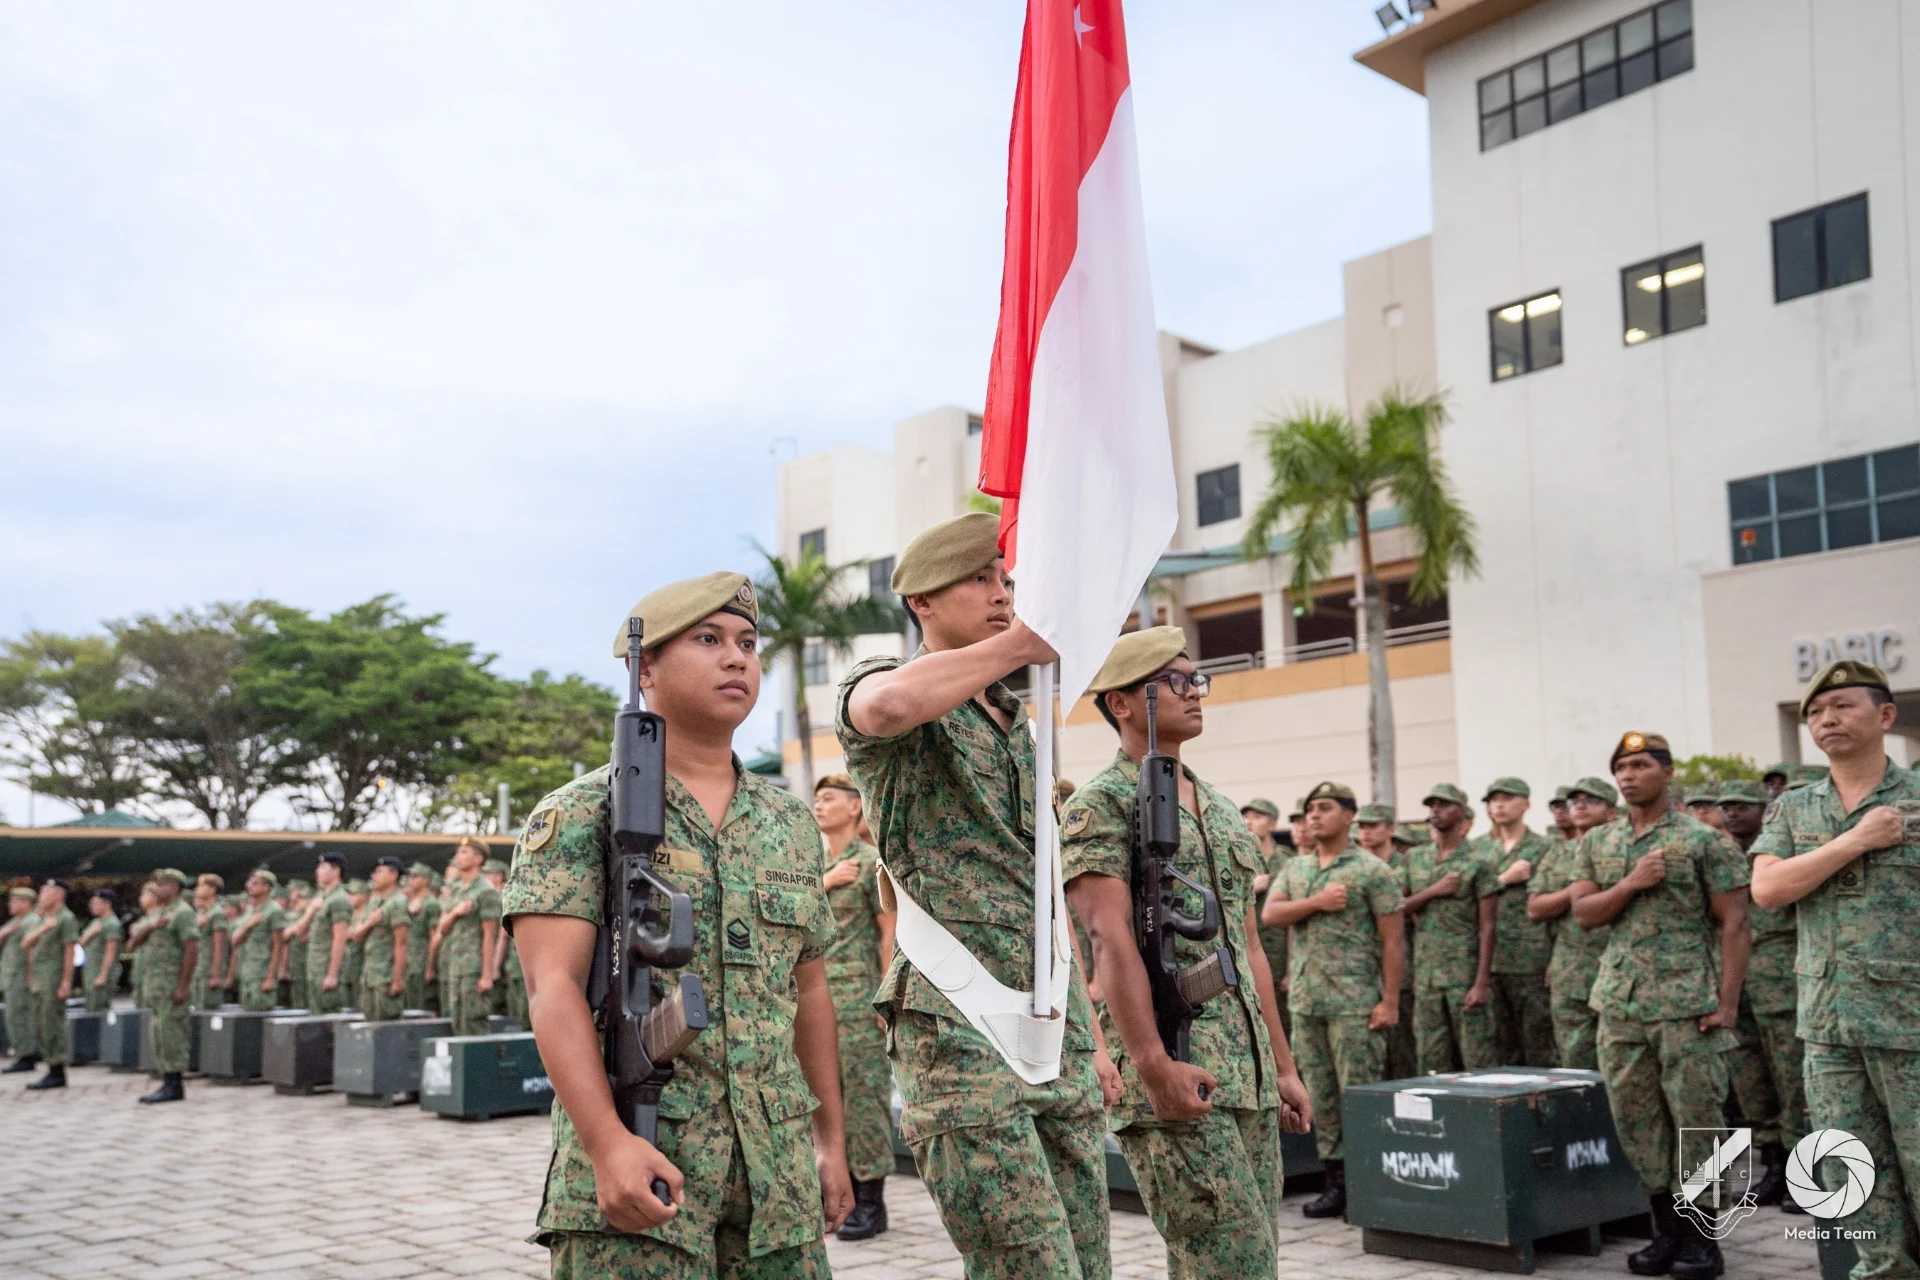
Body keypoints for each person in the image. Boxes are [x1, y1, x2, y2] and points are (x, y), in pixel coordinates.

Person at [507, 571, 852, 1276]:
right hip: (644, 1157)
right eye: (708, 639)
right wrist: (607, 1145)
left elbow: (810, 990)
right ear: (646, 670)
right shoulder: (582, 813)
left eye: (747, 644)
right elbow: (552, 989)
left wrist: (831, 1142)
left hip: (776, 1178)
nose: (736, 659)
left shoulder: (789, 823)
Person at [835, 513, 1113, 1280]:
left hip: (1052, 1022)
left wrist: (1090, 1035)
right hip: (958, 1023)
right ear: (921, 601)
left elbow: (1042, 891)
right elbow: (883, 710)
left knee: (1088, 1262)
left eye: (1005, 580)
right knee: (1028, 1266)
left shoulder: (1020, 724)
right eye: (980, 580)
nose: (1002, 594)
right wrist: (1022, 644)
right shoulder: (892, 687)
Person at [1063, 629, 1309, 1274]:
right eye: (1174, 681)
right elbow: (1108, 937)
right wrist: (1152, 1066)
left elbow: (1247, 948)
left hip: (1246, 1076)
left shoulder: (1222, 809)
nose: (1193, 691)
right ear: (1122, 703)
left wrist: (1282, 1068)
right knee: (1234, 1263)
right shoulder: (1100, 804)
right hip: (1173, 1066)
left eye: (1196, 678)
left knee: (1243, 1263)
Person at [1752, 660, 1920, 1277]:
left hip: (1911, 1023)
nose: (1828, 719)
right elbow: (1768, 889)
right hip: (1828, 1026)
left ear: (1885, 715)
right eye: (1816, 712)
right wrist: (1857, 840)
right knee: (1851, 1173)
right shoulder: (1795, 809)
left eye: (1843, 705)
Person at [1569, 732, 1749, 1280]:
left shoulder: (1704, 840)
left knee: (1697, 1121)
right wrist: (1631, 882)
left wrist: (1728, 1005)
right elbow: (1585, 914)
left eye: (1641, 765)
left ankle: (1703, 1240)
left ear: (1667, 773)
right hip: (1620, 1004)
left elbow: (1736, 923)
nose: (1628, 776)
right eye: (1621, 767)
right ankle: (1666, 1232)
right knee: (1636, 1120)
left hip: (1688, 1003)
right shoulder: (1597, 842)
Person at [1262, 778, 1401, 1221]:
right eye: (1309, 810)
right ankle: (1335, 1181)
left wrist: (1390, 1000)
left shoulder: (1372, 871)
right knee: (1320, 1094)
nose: (1314, 816)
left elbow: (1393, 940)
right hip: (1308, 1001)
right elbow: (1271, 913)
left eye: (1324, 808)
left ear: (1349, 815)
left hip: (1355, 1001)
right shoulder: (1297, 869)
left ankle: (1369, 1182)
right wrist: (1318, 902)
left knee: (1356, 1093)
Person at [811, 773, 897, 1243]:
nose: (819, 805)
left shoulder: (868, 864)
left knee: (865, 1099)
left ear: (854, 807)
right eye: (816, 799)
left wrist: (887, 993)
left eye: (829, 798)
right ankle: (832, 1192)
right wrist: (823, 883)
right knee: (825, 1098)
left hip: (859, 998)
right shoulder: (815, 866)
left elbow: (889, 931)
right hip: (817, 1000)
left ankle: (870, 1201)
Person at [1713, 778, 1806, 1212]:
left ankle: (1803, 1171)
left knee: (1791, 1077)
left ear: (1764, 810)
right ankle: (1774, 1163)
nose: (1732, 813)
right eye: (1726, 807)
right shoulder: (1719, 853)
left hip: (1780, 980)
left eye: (1742, 806)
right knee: (1750, 1078)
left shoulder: (1782, 851)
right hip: (1736, 982)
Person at [1400, 784, 1499, 1073]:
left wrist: (1481, 982)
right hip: (1427, 975)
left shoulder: (1479, 861)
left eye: (1444, 805)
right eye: (1432, 805)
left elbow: (1488, 926)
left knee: (1477, 1057)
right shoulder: (1415, 858)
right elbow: (1397, 907)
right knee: (1430, 1058)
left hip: (1464, 973)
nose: (1436, 810)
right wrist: (1433, 891)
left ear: (1463, 812)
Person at [1527, 777, 1618, 1070]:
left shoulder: (1623, 849)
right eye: (1575, 801)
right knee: (1575, 1062)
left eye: (1592, 801)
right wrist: (1578, 889)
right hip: (1570, 968)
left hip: (1616, 968)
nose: (1580, 806)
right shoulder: (1558, 853)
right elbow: (1535, 909)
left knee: (1619, 1061)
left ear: (1612, 813)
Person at [1481, 779, 1557, 1067]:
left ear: (1526, 803)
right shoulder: (1479, 849)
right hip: (1488, 960)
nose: (1499, 805)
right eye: (1494, 799)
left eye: (1507, 798)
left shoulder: (1545, 847)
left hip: (1532, 958)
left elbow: (1556, 905)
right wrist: (1505, 878)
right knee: (1499, 1046)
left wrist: (1555, 959)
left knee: (1539, 1043)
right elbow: (1463, 895)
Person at [1354, 804, 1417, 1080]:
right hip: (1362, 970)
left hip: (1400, 966)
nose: (1365, 832)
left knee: (1402, 1049)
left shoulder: (1405, 865)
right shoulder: (1354, 866)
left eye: (1373, 825)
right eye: (1362, 826)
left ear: (1390, 829)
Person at [135, 869, 199, 1104]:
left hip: (172, 983)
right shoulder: (157, 914)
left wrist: (183, 985)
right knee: (159, 1033)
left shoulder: (183, 913)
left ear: (173, 887)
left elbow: (191, 949)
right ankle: (166, 1079)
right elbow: (132, 943)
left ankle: (174, 1083)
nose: (156, 888)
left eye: (161, 884)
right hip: (155, 984)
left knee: (172, 1033)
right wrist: (151, 927)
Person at [433, 839, 502, 1036]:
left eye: (464, 852)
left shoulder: (486, 891)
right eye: (458, 852)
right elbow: (442, 928)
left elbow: (490, 935)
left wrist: (487, 975)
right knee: (456, 1021)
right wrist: (456, 913)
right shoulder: (456, 889)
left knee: (474, 1021)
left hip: (474, 967)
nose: (458, 856)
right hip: (455, 965)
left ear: (478, 859)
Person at [20, 879, 78, 1090]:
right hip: (39, 978)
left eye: (46, 891)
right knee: (41, 1024)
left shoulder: (66, 918)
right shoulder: (44, 919)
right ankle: (51, 1066)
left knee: (52, 1024)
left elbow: (70, 952)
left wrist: (66, 982)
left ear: (58, 894)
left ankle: (57, 1070)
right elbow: (26, 943)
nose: (42, 895)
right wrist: (44, 928)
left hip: (53, 978)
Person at [1240, 797, 1291, 1037]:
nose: (1248, 822)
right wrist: (1251, 887)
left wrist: (1292, 969)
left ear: (1272, 824)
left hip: (1281, 950)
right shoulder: (1241, 859)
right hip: (1249, 947)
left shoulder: (1288, 863)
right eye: (1246, 817)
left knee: (1285, 1023)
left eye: (1257, 817)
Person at [293, 853, 354, 1014]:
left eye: (323, 867)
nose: (317, 871)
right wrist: (311, 910)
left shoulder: (339, 899)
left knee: (328, 1014)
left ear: (336, 871)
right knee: (316, 1013)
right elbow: (299, 931)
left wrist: (333, 974)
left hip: (327, 966)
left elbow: (340, 939)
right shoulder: (321, 898)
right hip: (315, 965)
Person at [352, 856, 411, 1021]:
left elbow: (401, 943)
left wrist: (397, 980)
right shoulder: (375, 902)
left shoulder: (398, 903)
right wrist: (369, 923)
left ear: (394, 875)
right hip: (370, 974)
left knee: (387, 1025)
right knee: (370, 1023)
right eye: (375, 872)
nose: (374, 876)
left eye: (380, 872)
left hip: (386, 976)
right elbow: (356, 935)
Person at [229, 870, 289, 1013]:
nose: (249, 886)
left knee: (260, 1015)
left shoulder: (274, 911)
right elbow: (235, 941)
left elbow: (278, 946)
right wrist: (249, 925)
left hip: (262, 973)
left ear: (266, 887)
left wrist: (270, 977)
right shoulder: (250, 910)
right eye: (250, 882)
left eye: (255, 883)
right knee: (247, 1014)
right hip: (246, 972)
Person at [1, 886, 42, 1072]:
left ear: (26, 903)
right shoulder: (15, 922)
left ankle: (27, 1054)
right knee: (14, 1016)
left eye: (14, 901)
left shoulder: (31, 921)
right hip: (11, 976)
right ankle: (25, 1052)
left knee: (20, 1017)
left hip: (21, 976)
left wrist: (30, 976)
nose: (10, 904)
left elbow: (31, 949)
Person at [403, 863, 443, 1013]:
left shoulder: (431, 904)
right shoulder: (408, 903)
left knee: (423, 1007)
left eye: (415, 876)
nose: (411, 880)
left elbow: (434, 937)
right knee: (408, 1007)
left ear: (426, 880)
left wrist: (430, 967)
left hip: (422, 962)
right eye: (410, 876)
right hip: (408, 962)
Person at [190, 874, 229, 1011]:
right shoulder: (201, 913)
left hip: (208, 971)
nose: (197, 889)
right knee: (196, 1008)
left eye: (201, 886)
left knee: (208, 1010)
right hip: (198, 968)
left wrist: (215, 975)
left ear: (212, 889)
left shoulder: (217, 913)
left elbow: (219, 946)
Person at [81, 889, 124, 1013]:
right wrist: (92, 932)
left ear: (107, 904)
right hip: (91, 970)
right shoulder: (96, 922)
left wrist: (103, 975)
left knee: (99, 1009)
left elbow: (111, 951)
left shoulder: (112, 923)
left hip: (100, 971)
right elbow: (81, 943)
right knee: (90, 1008)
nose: (91, 906)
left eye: (95, 903)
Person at [482, 858, 513, 1018]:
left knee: (502, 1006)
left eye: (488, 874)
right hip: (496, 957)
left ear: (499, 876)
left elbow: (502, 934)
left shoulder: (504, 896)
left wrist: (495, 965)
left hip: (505, 958)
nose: (485, 877)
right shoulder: (490, 895)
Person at [282, 879, 312, 1009]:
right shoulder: (292, 915)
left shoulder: (311, 914)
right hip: (296, 963)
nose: (291, 894)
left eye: (293, 891)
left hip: (309, 962)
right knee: (298, 998)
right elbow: (286, 937)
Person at [342, 879, 371, 998]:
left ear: (364, 896)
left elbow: (356, 935)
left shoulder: (368, 913)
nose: (349, 897)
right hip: (346, 966)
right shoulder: (349, 914)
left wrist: (347, 934)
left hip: (361, 965)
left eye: (353, 894)